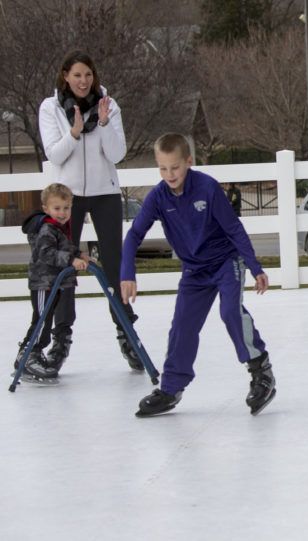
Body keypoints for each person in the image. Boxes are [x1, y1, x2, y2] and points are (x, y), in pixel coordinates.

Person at [120, 133, 276, 417]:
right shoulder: (157, 196)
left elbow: (234, 228)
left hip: (225, 262)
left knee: (230, 312)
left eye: (175, 167)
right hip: (193, 270)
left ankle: (261, 373)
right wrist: (127, 273)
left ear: (188, 162)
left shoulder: (207, 187)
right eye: (163, 168)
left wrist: (255, 267)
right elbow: (133, 236)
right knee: (182, 326)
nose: (170, 174)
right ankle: (170, 389)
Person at [37, 50, 142, 374]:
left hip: (105, 193)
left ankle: (127, 334)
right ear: (65, 76)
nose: (83, 81)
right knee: (66, 267)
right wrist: (74, 132)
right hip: (68, 197)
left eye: (88, 75)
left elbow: (117, 153)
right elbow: (55, 155)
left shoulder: (107, 105)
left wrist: (105, 123)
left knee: (114, 263)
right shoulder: (51, 107)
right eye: (77, 75)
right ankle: (60, 341)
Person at [16, 183, 92, 383]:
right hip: (44, 282)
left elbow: (65, 247)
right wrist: (70, 260)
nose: (62, 213)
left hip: (55, 282)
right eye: (57, 208)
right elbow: (46, 253)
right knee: (42, 320)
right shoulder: (47, 228)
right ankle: (28, 354)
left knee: (46, 318)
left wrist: (79, 254)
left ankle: (33, 353)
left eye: (66, 208)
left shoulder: (59, 227)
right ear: (46, 209)